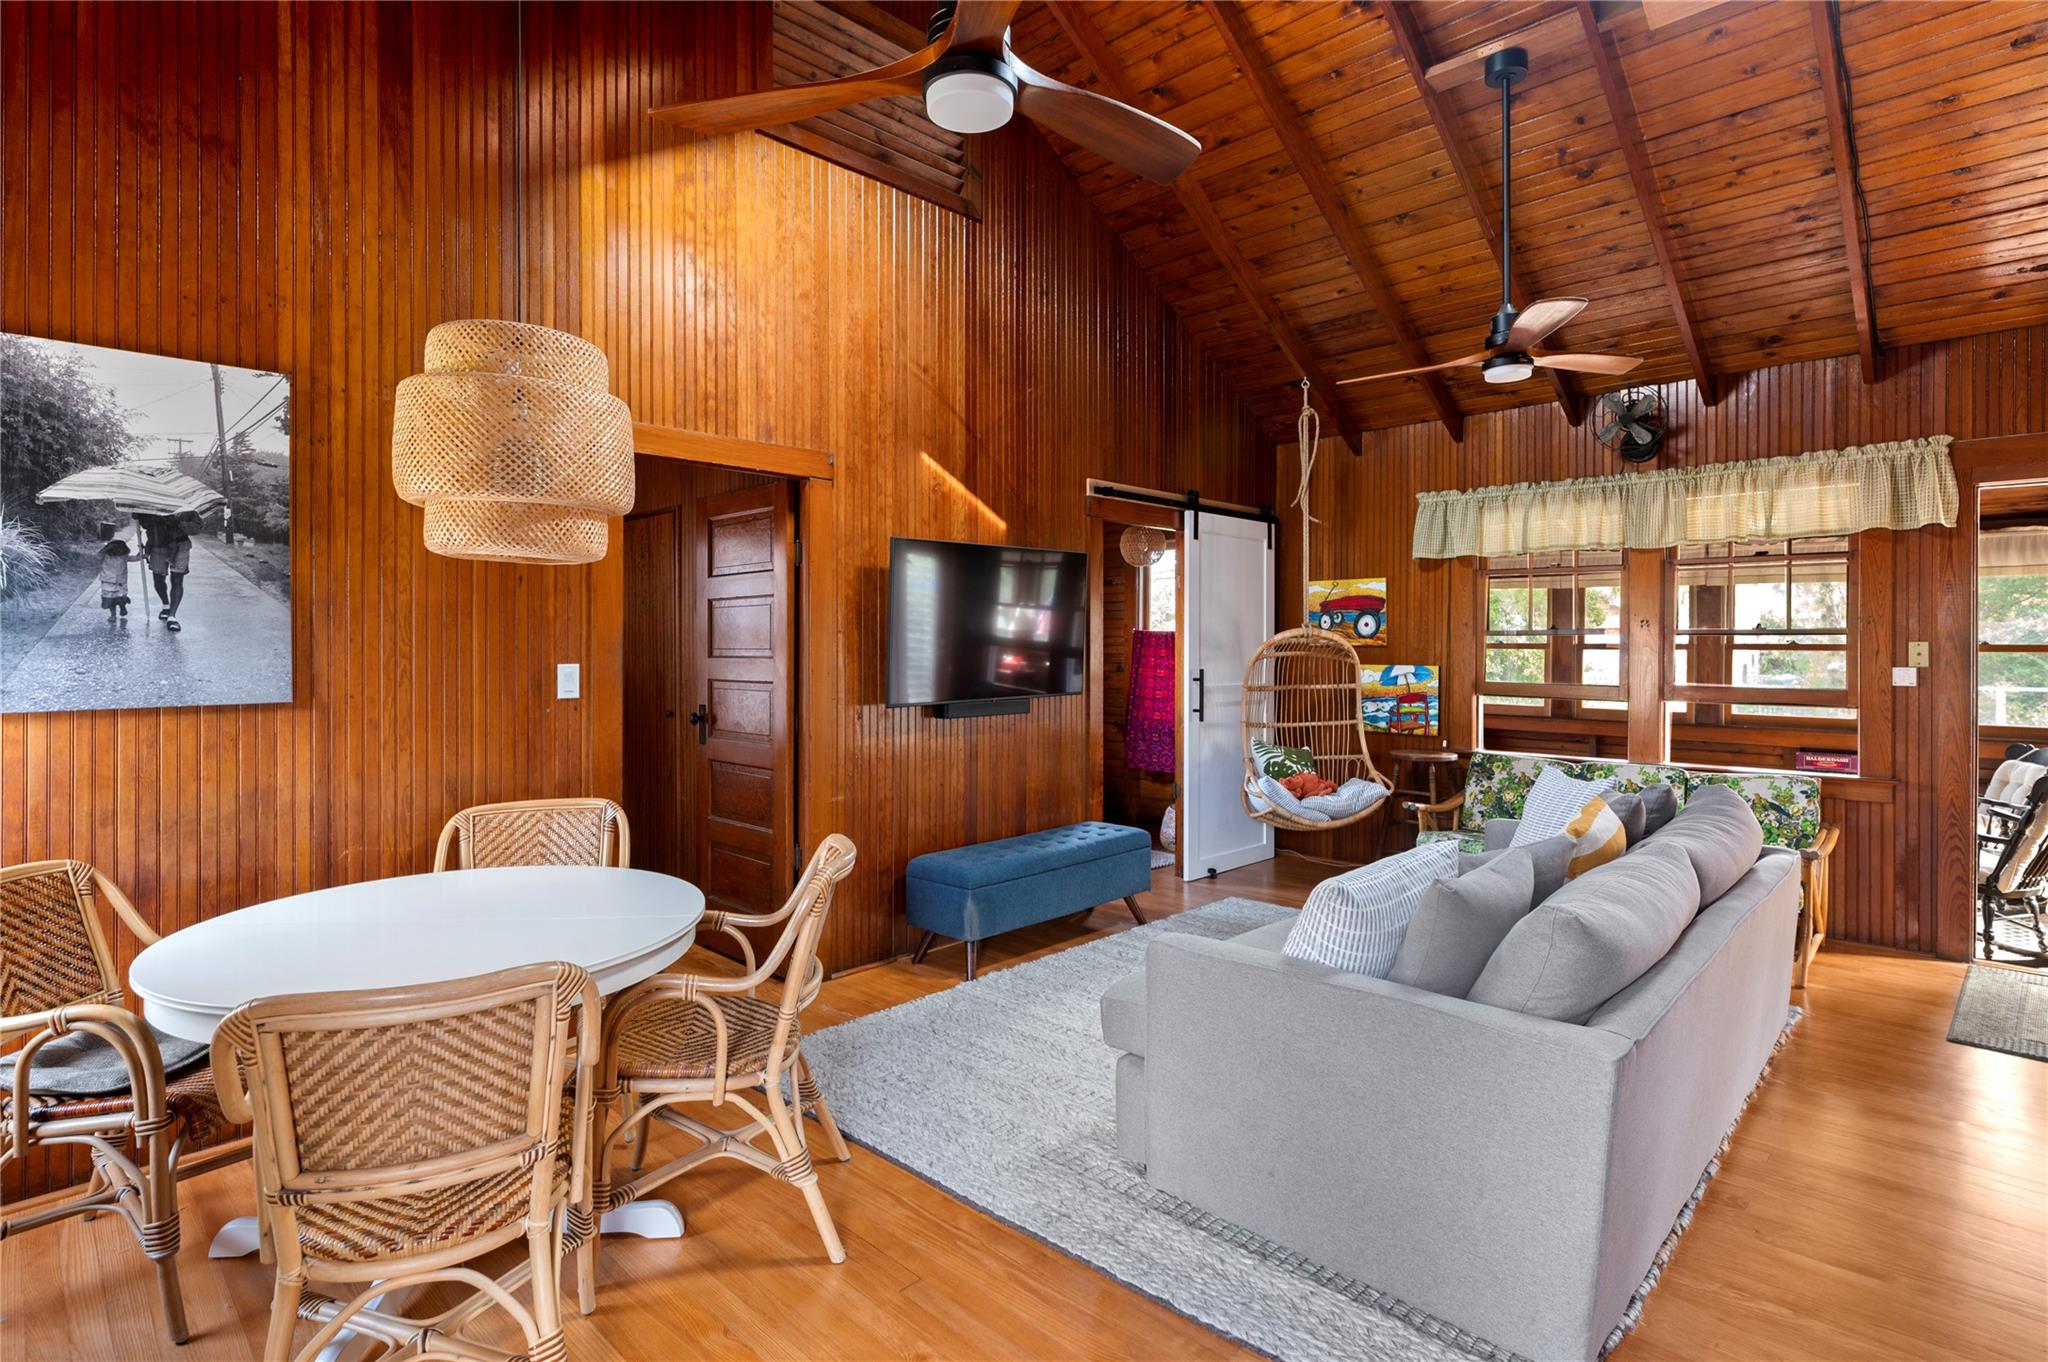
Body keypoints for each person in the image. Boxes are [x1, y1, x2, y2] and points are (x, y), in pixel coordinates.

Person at [139, 512, 192, 632]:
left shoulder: (185, 505)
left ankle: (172, 616)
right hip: (158, 544)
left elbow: (197, 527)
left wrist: (178, 521)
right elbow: (141, 520)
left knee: (177, 579)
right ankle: (166, 605)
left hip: (180, 543)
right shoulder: (150, 501)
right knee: (158, 579)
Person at [97, 533, 139, 621]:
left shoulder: (124, 557)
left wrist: (141, 553)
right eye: (115, 547)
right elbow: (98, 555)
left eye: (120, 548)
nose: (118, 550)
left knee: (120, 598)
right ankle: (113, 614)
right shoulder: (106, 556)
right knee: (110, 600)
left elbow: (135, 558)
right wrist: (105, 549)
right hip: (108, 582)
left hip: (120, 582)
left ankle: (123, 608)